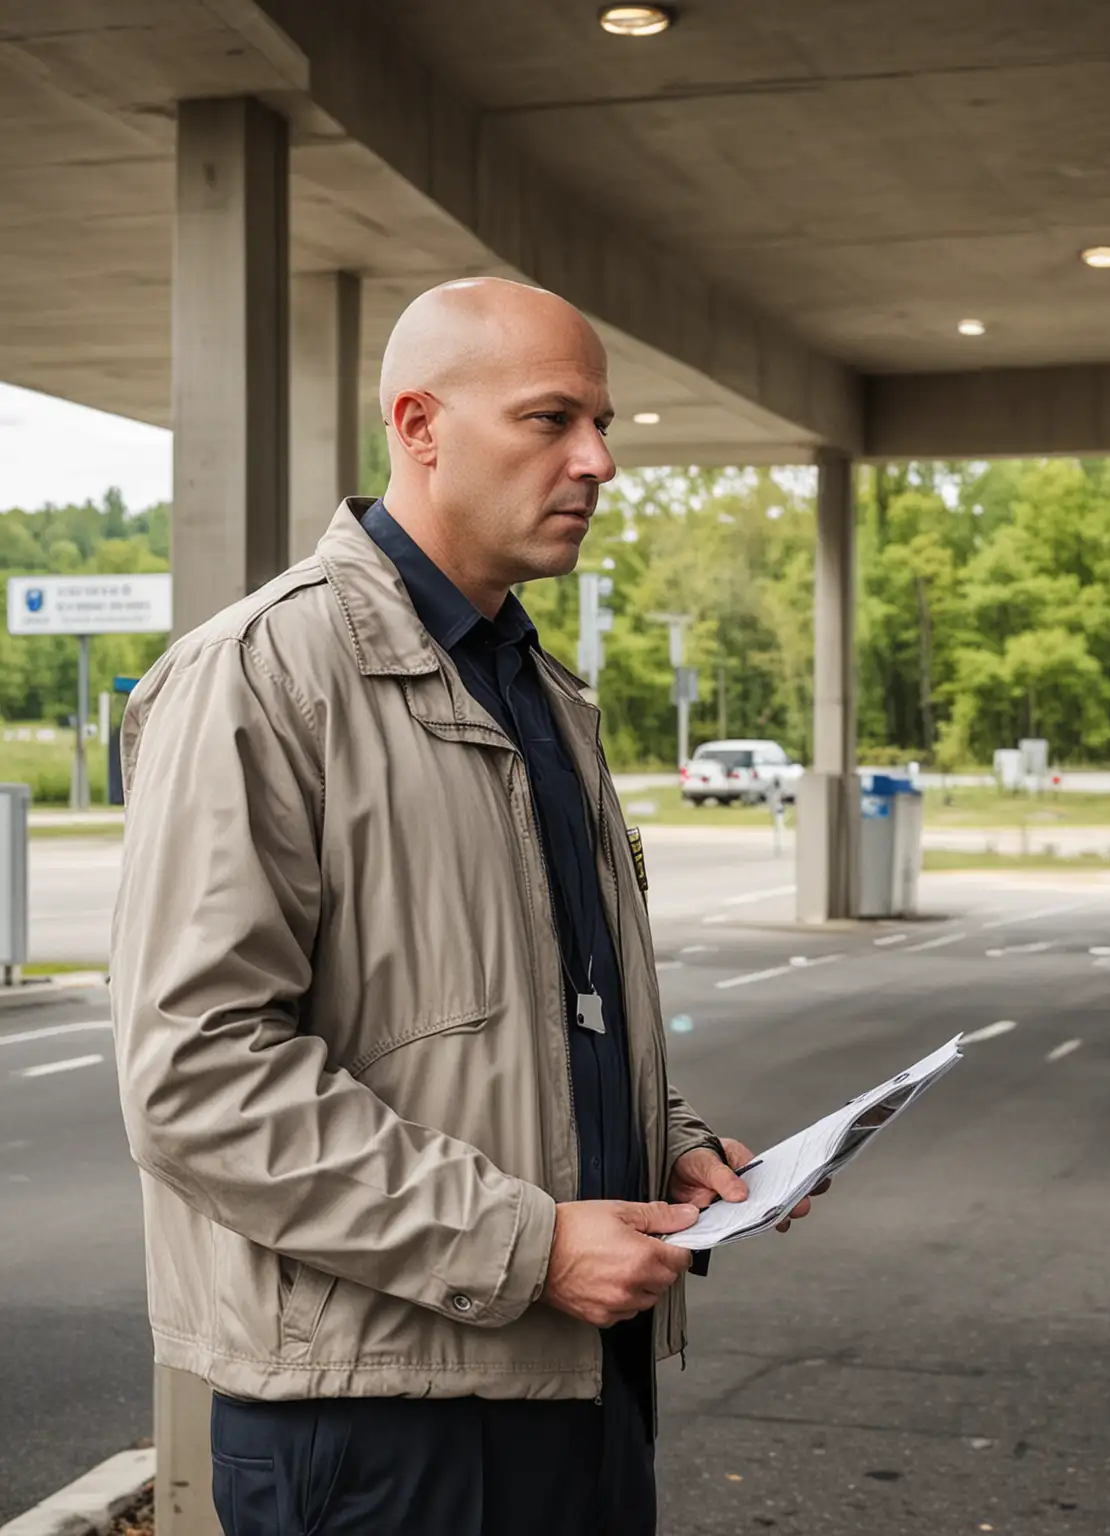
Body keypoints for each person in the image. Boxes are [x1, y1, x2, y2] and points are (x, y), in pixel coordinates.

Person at [110, 277, 820, 1536]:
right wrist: (528, 1247)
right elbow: (197, 1078)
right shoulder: (262, 678)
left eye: (604, 425)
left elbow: (554, 1008)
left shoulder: (542, 692)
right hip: (379, 1421)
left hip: (577, 1385)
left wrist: (672, 1139)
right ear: (419, 425)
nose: (598, 461)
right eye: (551, 419)